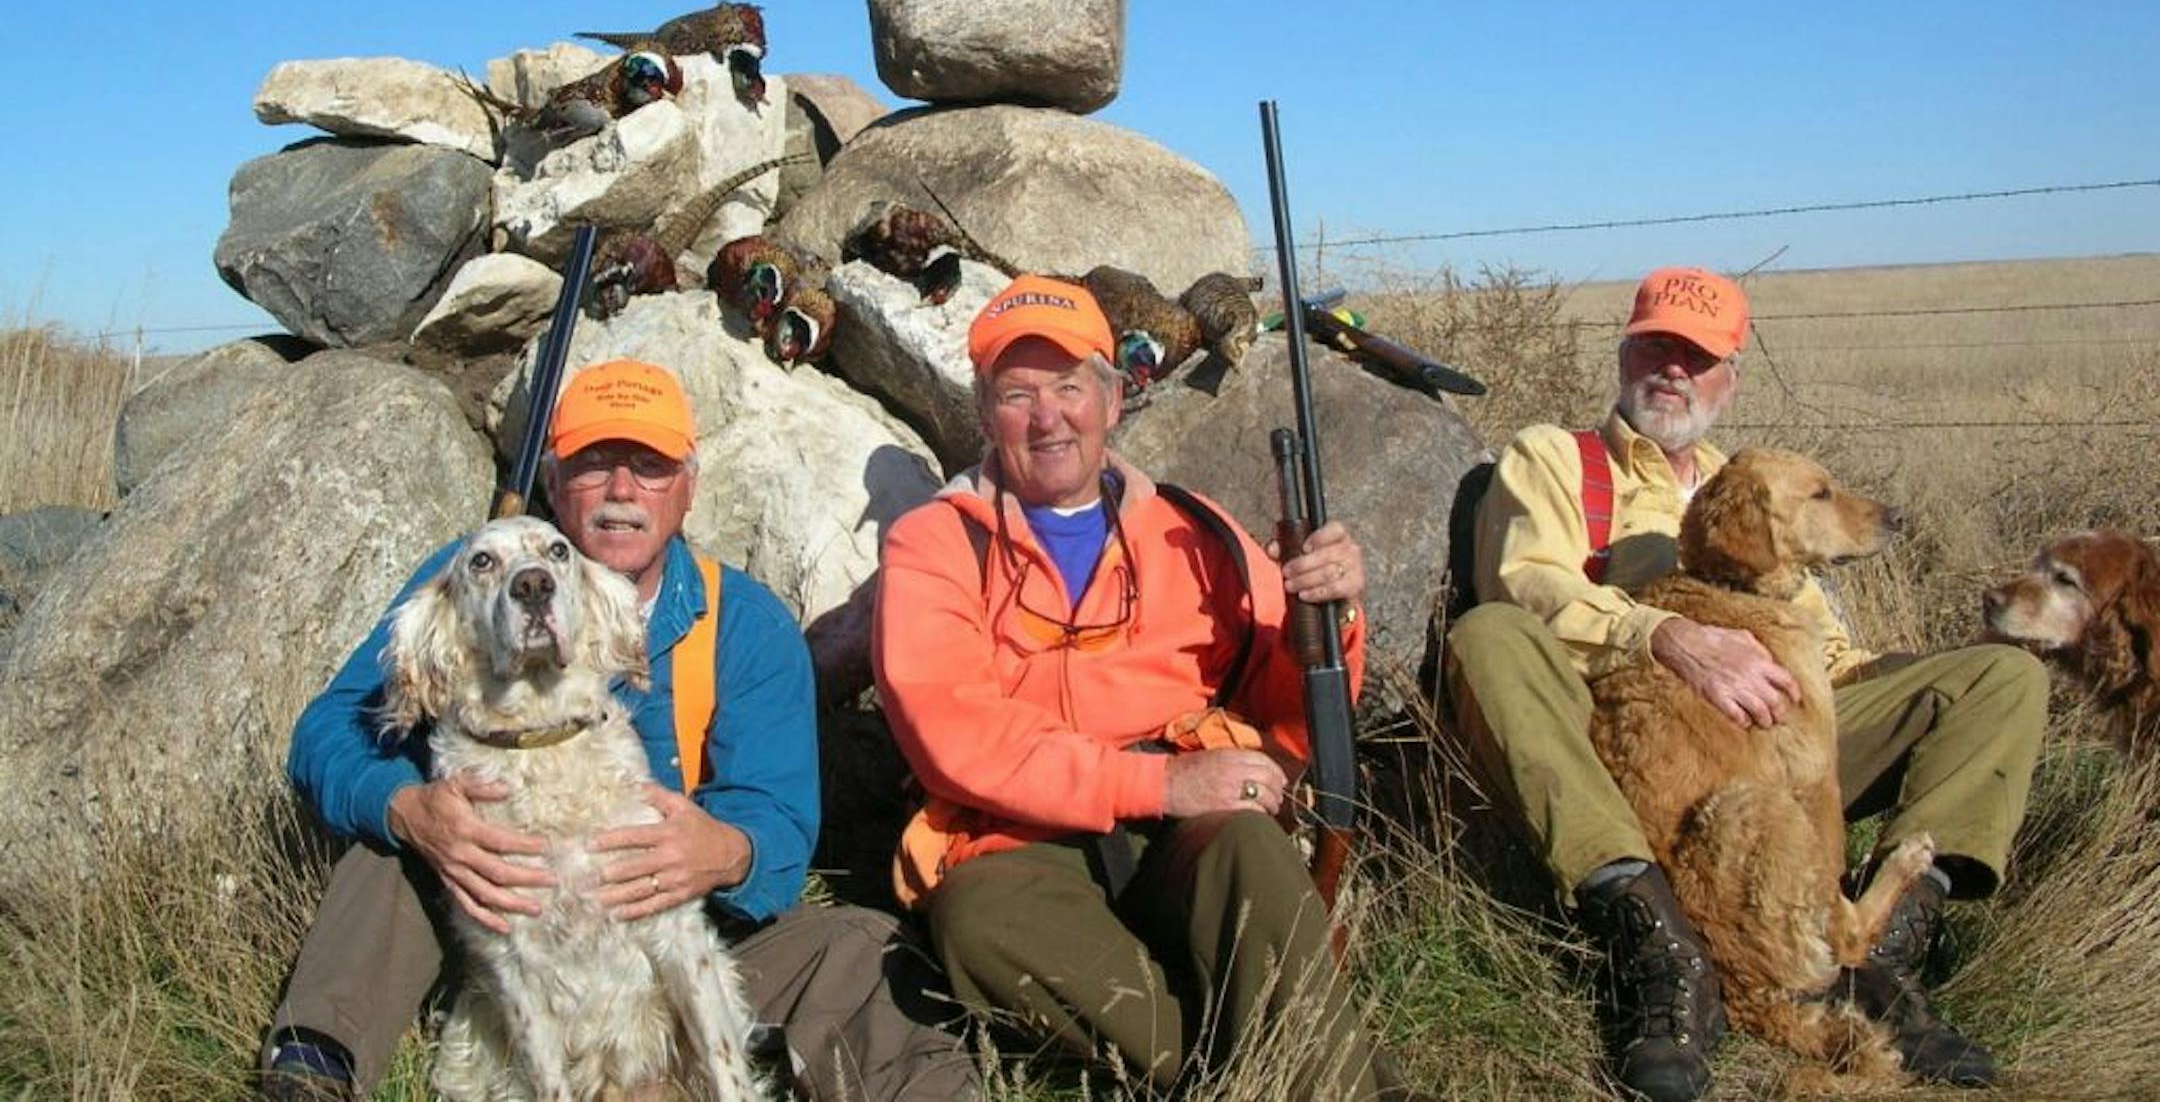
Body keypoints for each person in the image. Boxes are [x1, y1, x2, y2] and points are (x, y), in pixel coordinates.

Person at [262, 358, 976, 1102]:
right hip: (500, 943)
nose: (622, 491)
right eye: (594, 465)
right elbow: (327, 733)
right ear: (553, 479)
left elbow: (782, 821)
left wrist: (729, 851)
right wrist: (409, 810)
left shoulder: (746, 625)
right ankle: (318, 1062)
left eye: (651, 467)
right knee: (389, 841)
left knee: (858, 947)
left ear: (689, 487)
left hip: (676, 944)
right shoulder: (466, 578)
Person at [1445, 267, 2048, 1101]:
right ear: (1625, 351)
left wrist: (1933, 682)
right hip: (1618, 760)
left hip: (1768, 749)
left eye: (1697, 356)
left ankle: (1877, 955)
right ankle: (1657, 947)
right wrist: (1666, 634)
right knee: (1487, 635)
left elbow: (1830, 662)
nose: (1672, 370)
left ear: (1731, 377)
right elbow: (1524, 584)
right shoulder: (1554, 459)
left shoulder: (1761, 479)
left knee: (2002, 678)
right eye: (1656, 345)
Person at [872, 275, 1428, 1100]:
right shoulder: (933, 544)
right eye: (1018, 394)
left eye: (1069, 386)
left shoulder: (1193, 525)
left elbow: (1294, 710)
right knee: (975, 921)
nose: (1048, 416)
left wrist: (1333, 620)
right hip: (1024, 840)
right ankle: (1259, 1072)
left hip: (1190, 833)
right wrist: (1155, 782)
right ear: (986, 415)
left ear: (1114, 397)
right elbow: (953, 735)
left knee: (1245, 843)